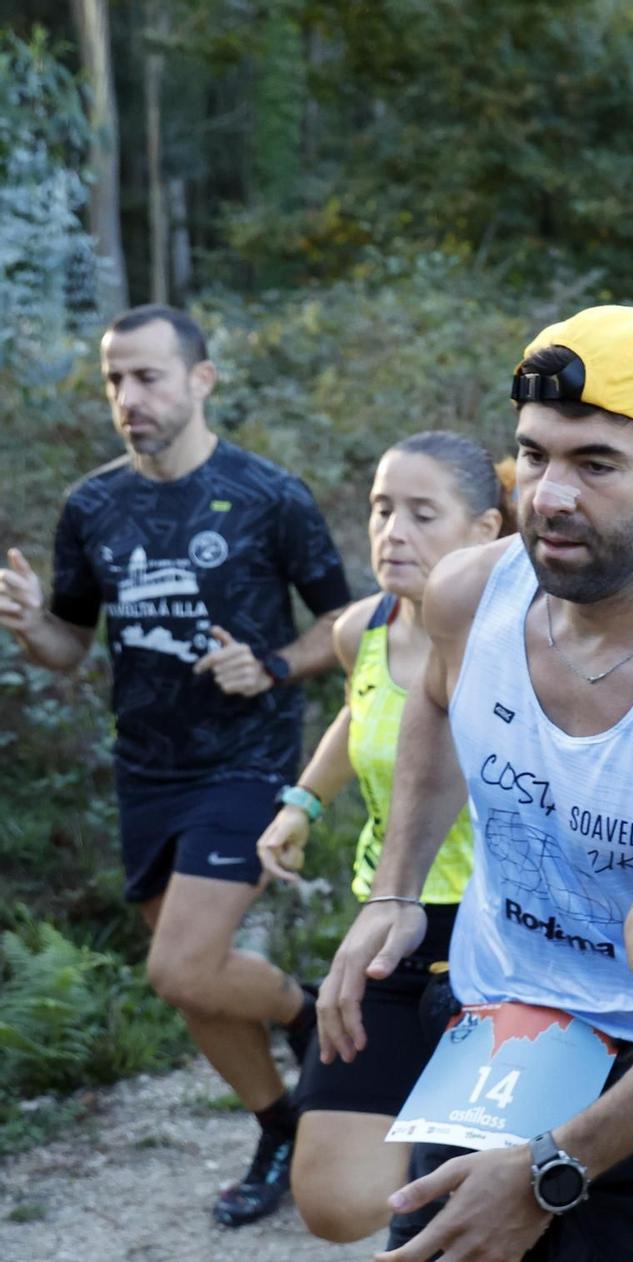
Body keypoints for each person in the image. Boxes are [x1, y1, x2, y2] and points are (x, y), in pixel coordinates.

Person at [315, 305, 633, 1261]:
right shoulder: (467, 594)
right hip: (496, 1020)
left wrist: (554, 1166)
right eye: (534, 456)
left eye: (596, 464)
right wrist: (395, 889)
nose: (550, 496)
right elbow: (436, 701)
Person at [0, 305, 349, 1227]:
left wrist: (274, 665)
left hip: (249, 761)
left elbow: (346, 625)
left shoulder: (269, 494)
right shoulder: (92, 505)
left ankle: (311, 1015)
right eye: (114, 379)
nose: (128, 397)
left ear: (201, 380)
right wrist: (31, 623)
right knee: (193, 978)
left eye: (147, 376)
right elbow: (70, 646)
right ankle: (280, 1127)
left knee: (179, 965)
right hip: (146, 770)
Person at [252, 432, 506, 1242]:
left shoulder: (527, 634)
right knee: (334, 1203)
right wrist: (302, 803)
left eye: (422, 514)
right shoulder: (359, 629)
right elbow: (361, 711)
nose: (392, 531)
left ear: (484, 531)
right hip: (390, 925)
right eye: (381, 509)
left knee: (465, 1204)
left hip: (504, 943)